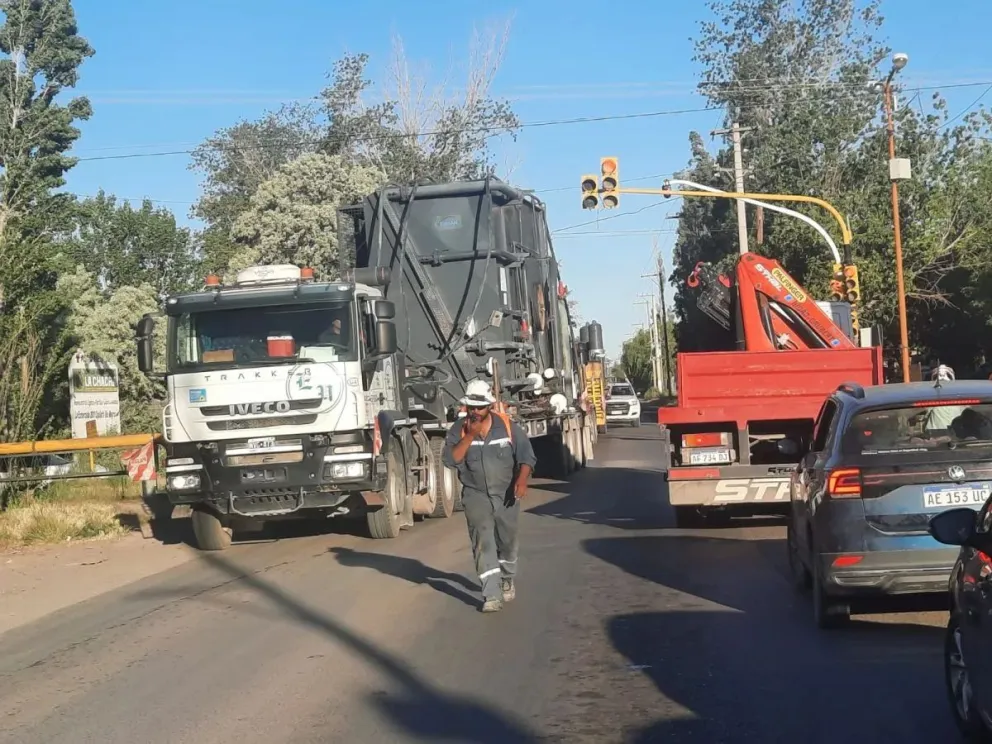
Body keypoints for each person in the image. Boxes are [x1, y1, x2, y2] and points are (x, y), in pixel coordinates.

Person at [443, 379, 537, 613]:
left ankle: (507, 578)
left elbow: (527, 457)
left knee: (507, 542)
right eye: (471, 407)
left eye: (479, 407)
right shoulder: (459, 429)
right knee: (482, 542)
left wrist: (522, 480)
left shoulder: (506, 427)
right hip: (476, 495)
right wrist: (470, 436)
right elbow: (450, 459)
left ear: (489, 407)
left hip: (505, 494)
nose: (475, 411)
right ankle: (491, 594)